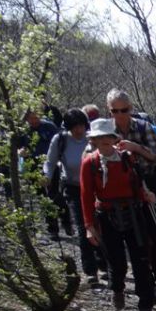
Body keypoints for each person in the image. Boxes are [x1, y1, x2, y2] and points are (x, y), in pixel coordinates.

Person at [80, 118, 156, 311]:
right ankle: (117, 289)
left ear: (114, 139)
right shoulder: (90, 163)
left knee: (141, 260)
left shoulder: (127, 157)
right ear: (94, 140)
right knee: (116, 261)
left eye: (107, 136)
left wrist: (146, 195)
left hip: (133, 212)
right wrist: (89, 226)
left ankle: (146, 306)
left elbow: (137, 183)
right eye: (99, 137)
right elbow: (86, 196)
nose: (104, 140)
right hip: (106, 216)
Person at [105, 88, 156, 295]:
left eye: (123, 110)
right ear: (109, 111)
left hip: (149, 181)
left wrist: (136, 148)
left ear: (130, 108)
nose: (119, 115)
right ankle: (144, 282)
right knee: (134, 235)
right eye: (114, 111)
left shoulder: (144, 128)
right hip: (121, 189)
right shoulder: (105, 131)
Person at [45, 108, 106, 285]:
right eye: (74, 127)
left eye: (81, 126)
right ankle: (90, 271)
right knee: (83, 227)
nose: (78, 130)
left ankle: (104, 265)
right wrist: (46, 177)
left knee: (100, 225)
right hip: (73, 188)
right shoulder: (61, 140)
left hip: (97, 189)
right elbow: (50, 162)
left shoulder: (92, 139)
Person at [21, 109, 68, 238]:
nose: (34, 120)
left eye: (36, 117)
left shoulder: (49, 126)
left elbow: (61, 141)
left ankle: (66, 220)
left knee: (54, 195)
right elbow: (18, 146)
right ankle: (53, 229)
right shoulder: (24, 131)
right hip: (33, 167)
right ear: (26, 119)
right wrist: (21, 151)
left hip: (52, 165)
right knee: (43, 198)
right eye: (31, 118)